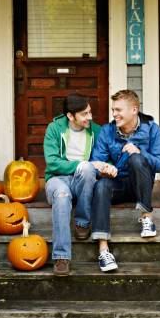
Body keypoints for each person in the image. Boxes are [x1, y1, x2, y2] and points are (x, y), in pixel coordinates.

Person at [90, 89, 160, 272]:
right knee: (101, 186)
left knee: (137, 159)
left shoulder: (152, 129)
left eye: (118, 110)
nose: (114, 114)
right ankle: (103, 249)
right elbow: (96, 160)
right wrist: (104, 168)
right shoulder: (107, 131)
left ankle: (146, 217)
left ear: (134, 109)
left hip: (140, 186)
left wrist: (140, 152)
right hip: (117, 185)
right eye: (113, 110)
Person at [43, 93, 110, 276]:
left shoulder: (96, 130)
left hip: (83, 181)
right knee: (63, 196)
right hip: (57, 180)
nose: (89, 117)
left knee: (88, 169)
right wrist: (80, 164)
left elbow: (105, 155)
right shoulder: (54, 129)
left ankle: (82, 221)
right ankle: (61, 257)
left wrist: (105, 166)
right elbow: (53, 163)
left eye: (89, 112)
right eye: (84, 114)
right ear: (70, 116)